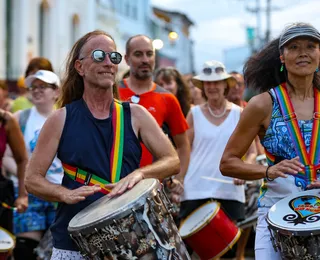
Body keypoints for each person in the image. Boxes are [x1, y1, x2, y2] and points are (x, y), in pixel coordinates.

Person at [24, 30, 181, 259]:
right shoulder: (61, 119)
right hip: (74, 239)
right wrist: (63, 193)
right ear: (80, 67)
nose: (108, 63)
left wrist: (140, 174)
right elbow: (32, 179)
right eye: (99, 56)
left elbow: (172, 160)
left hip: (129, 238)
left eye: (114, 57)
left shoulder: (135, 114)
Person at [220, 22, 320, 260]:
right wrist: (268, 170)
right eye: (294, 47)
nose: (303, 52)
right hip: (276, 213)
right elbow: (227, 163)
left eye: (311, 46)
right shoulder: (262, 104)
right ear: (282, 57)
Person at [179, 61, 255, 258]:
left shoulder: (239, 113)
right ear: (202, 86)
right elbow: (184, 151)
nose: (212, 87)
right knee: (190, 249)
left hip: (229, 188)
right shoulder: (194, 113)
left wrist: (244, 168)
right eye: (207, 83)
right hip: (195, 188)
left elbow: (253, 151)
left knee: (227, 251)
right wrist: (179, 180)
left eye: (217, 82)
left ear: (226, 85)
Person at [118, 34, 189, 198]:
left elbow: (183, 146)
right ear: (127, 59)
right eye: (138, 54)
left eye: (149, 54)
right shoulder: (113, 93)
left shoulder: (168, 98)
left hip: (153, 190)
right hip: (115, 185)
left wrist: (179, 180)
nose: (145, 59)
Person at [11, 70, 63, 260]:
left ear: (56, 91)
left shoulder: (66, 117)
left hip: (60, 193)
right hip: (29, 195)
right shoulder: (20, 118)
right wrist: (25, 175)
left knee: (56, 249)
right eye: (34, 87)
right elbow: (9, 157)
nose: (37, 91)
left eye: (43, 87)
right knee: (25, 250)